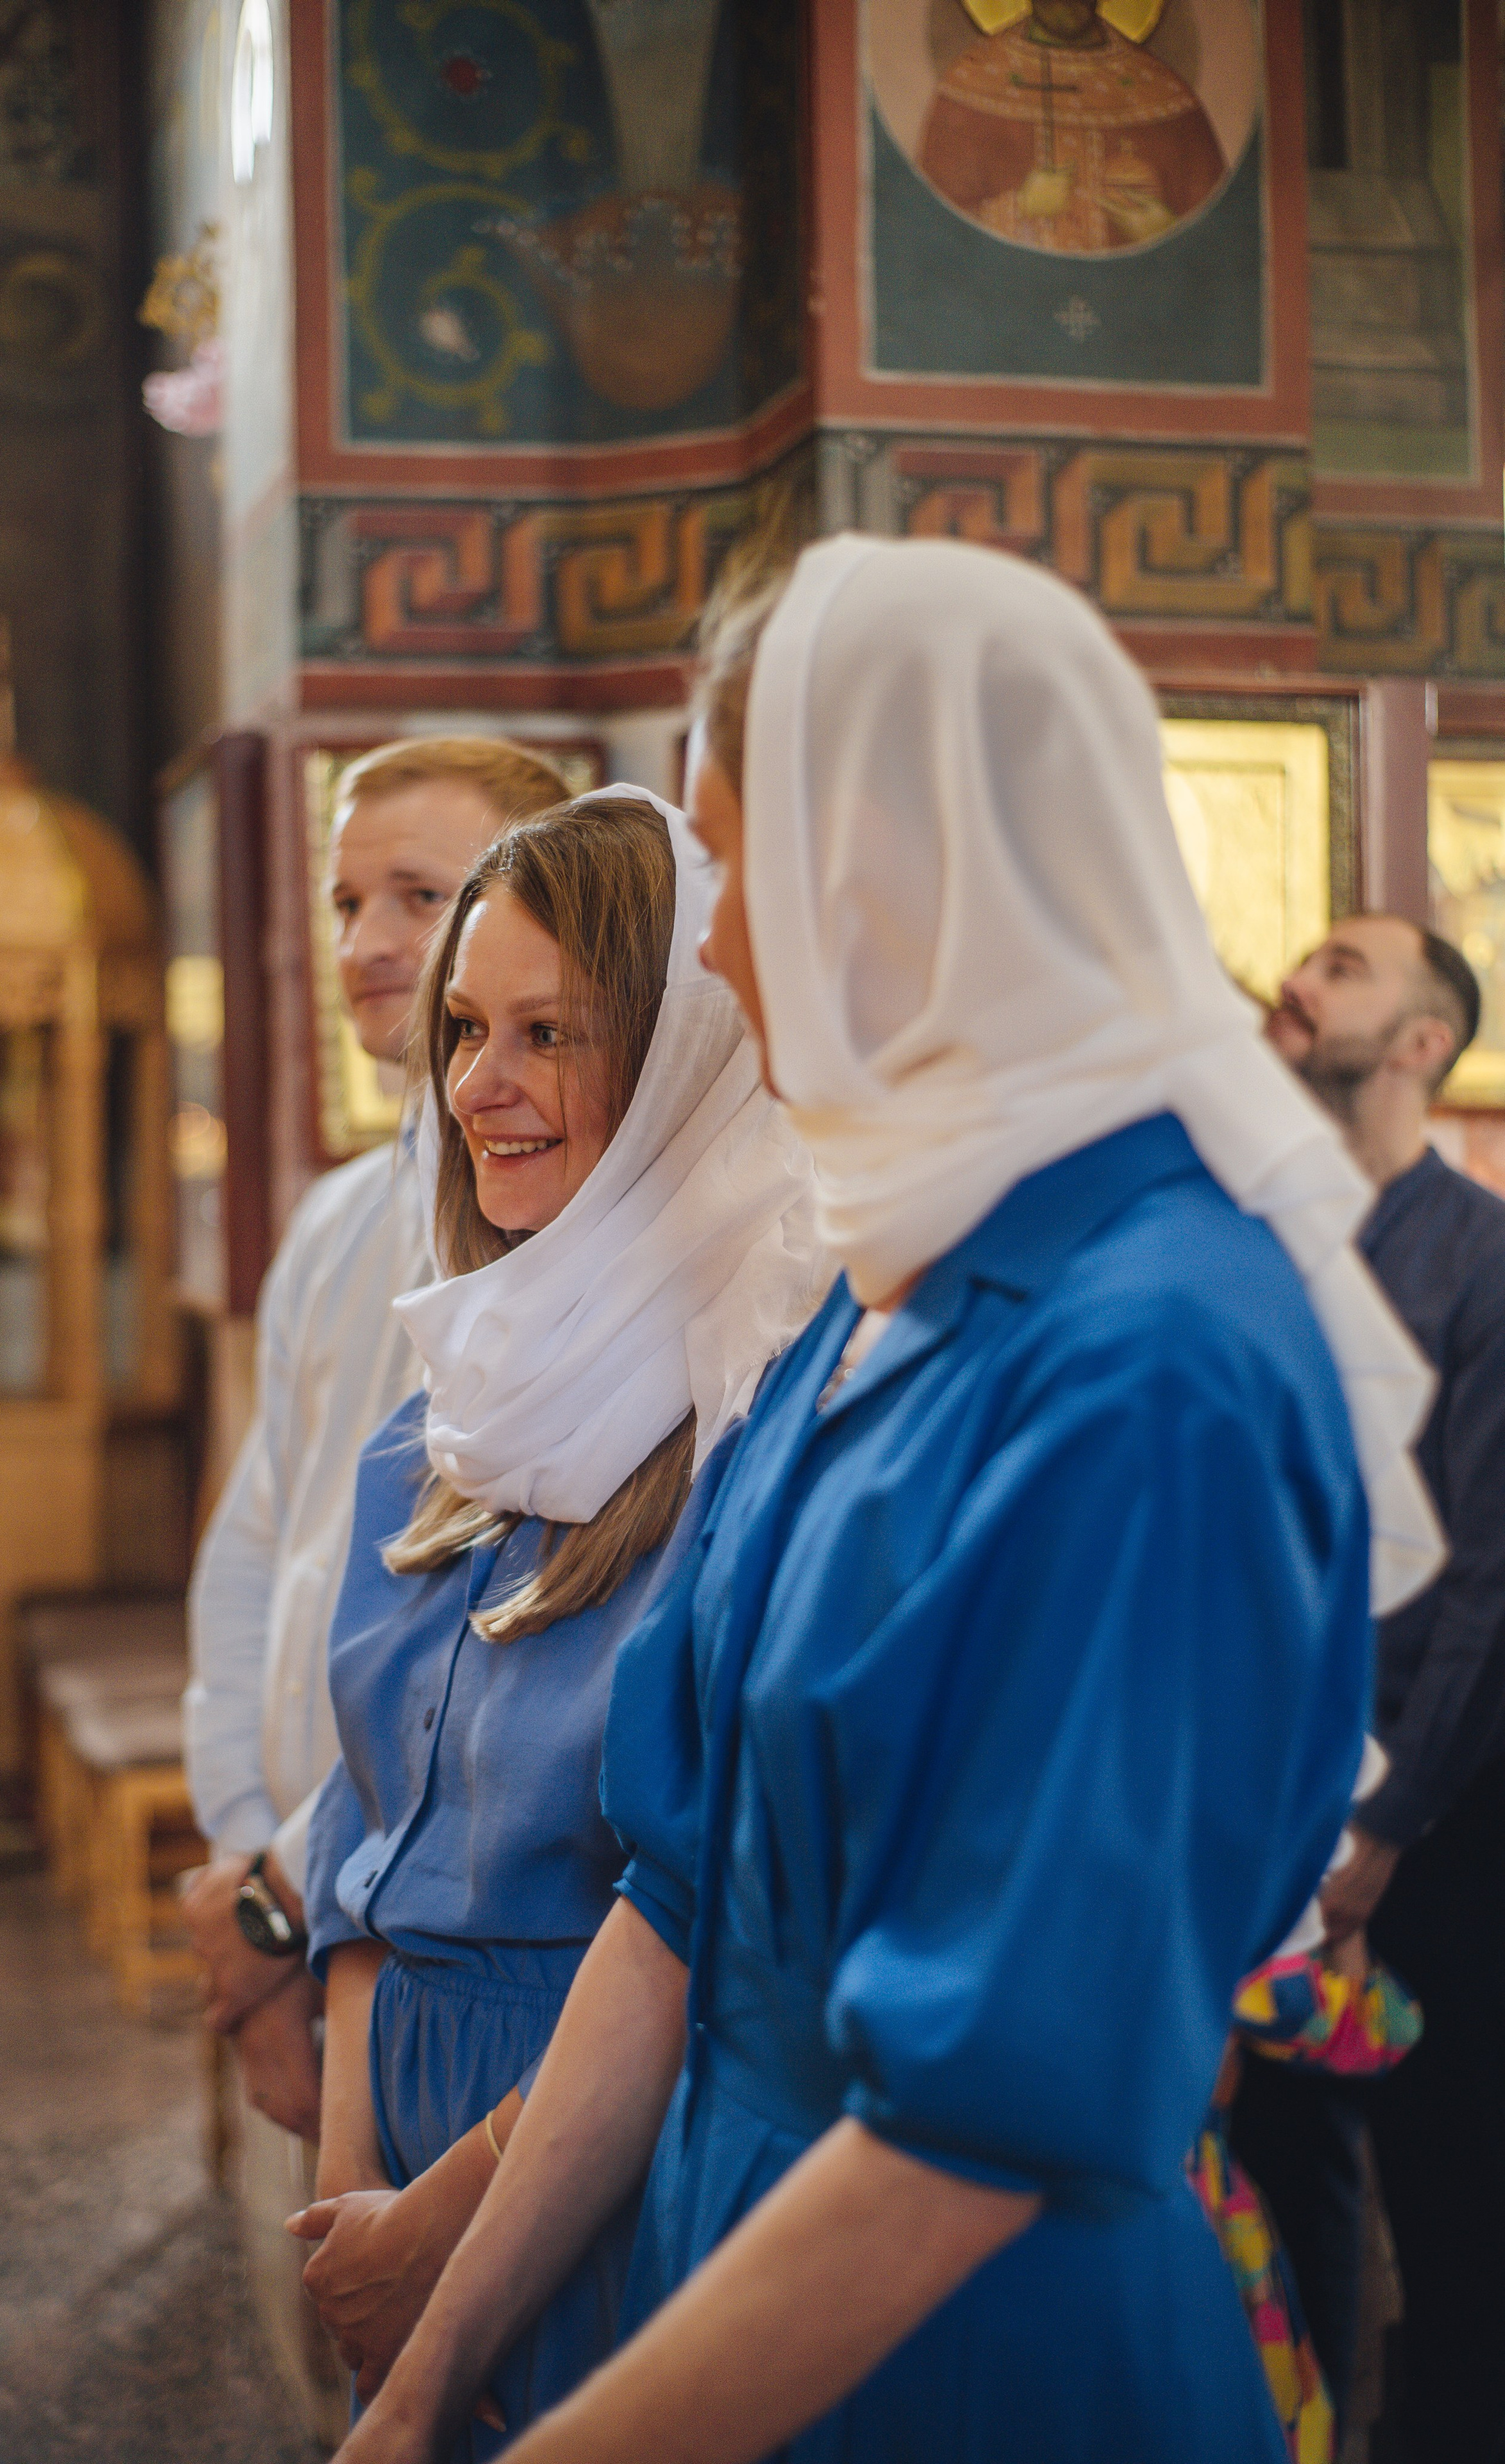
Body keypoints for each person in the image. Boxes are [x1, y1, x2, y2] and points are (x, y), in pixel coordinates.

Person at [327, 536, 1443, 2464]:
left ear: (894, 870)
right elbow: (676, 1897)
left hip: (974, 2356)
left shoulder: (1155, 1356)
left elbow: (981, 2118)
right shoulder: (869, 1296)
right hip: (724, 2276)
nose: (728, 948)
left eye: (740, 866)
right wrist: (431, 2380)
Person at [282, 789, 822, 2449]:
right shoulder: (429, 1436)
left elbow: (714, 1930)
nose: (478, 1088)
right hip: (388, 2142)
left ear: (677, 1067)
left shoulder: (755, 1429)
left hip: (602, 2171)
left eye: (547, 1034)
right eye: (463, 1030)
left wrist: (443, 2238)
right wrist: (346, 2200)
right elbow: (368, 1852)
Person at [180, 735, 568, 2433]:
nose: (362, 943)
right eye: (347, 900)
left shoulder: (550, 1215)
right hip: (298, 1899)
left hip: (415, 1924)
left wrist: (284, 1911)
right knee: (330, 2361)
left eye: (422, 893)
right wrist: (233, 1860)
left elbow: (459, 1662)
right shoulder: (343, 1217)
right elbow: (261, 1555)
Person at [1254, 914, 1505, 2463]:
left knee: (1449, 2190)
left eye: (1342, 964)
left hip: (1437, 1825)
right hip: (1255, 1803)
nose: (1297, 974)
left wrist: (1389, 1823)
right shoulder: (1251, 1234)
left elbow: (1482, 1575)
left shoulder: (1474, 1255)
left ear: (1420, 1042)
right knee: (1272, 2199)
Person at [919, 0, 1226, 253]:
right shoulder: (971, 84)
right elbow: (925, 243)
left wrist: (1169, 232)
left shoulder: (1163, 93)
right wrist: (1020, 207)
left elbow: (1226, 251)